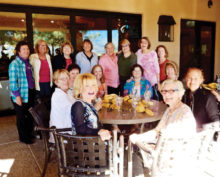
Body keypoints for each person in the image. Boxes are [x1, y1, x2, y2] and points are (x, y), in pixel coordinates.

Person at [130, 79, 196, 170]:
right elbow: (156, 132)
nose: (167, 94)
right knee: (134, 146)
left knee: (135, 151)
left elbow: (181, 142)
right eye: (164, 91)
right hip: (164, 150)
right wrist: (139, 137)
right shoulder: (169, 110)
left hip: (175, 160)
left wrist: (144, 144)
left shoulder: (185, 112)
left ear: (180, 93)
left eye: (172, 91)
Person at [9, 41, 35, 144]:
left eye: (27, 49)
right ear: (19, 52)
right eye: (23, 49)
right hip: (20, 94)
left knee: (29, 115)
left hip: (29, 92)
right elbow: (12, 82)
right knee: (21, 117)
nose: (26, 51)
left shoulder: (27, 63)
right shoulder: (14, 64)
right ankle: (24, 138)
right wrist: (17, 96)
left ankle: (29, 134)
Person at [71, 73, 111, 141]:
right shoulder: (78, 105)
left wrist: (103, 130)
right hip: (85, 147)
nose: (91, 88)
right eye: (87, 86)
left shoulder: (90, 104)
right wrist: (98, 131)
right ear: (80, 89)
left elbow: (96, 125)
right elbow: (80, 129)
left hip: (94, 143)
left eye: (93, 85)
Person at [49, 69, 75, 142]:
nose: (66, 81)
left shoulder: (66, 92)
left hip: (67, 128)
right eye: (62, 79)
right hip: (63, 133)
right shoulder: (58, 96)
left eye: (67, 78)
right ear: (56, 82)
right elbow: (75, 111)